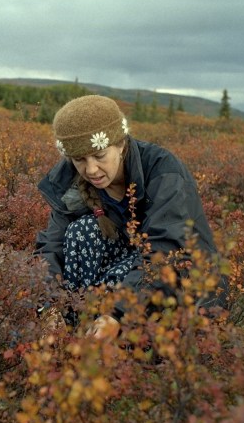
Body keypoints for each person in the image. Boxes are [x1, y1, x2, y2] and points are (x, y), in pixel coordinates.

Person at [35, 95, 228, 339]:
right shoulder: (70, 179)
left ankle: (111, 328)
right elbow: (52, 245)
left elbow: (166, 252)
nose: (91, 169)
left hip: (182, 279)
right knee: (80, 232)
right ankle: (77, 327)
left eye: (100, 155)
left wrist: (119, 313)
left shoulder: (163, 171)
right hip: (122, 276)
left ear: (121, 144)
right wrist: (48, 305)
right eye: (79, 159)